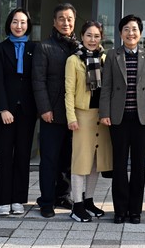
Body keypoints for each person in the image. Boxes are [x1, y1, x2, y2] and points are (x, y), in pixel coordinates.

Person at [99, 14, 145, 225]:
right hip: (118, 117)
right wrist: (104, 113)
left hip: (142, 118)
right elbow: (106, 87)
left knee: (138, 165)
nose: (130, 33)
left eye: (134, 29)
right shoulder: (112, 55)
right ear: (120, 33)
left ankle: (135, 211)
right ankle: (120, 210)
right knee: (119, 165)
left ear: (140, 33)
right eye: (126, 29)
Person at [32, 3, 79, 218]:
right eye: (61, 18)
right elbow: (38, 81)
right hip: (52, 113)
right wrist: (44, 108)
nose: (65, 22)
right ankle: (47, 200)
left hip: (74, 114)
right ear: (54, 22)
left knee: (67, 159)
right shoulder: (44, 47)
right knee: (49, 160)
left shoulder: (78, 47)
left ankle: (63, 195)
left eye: (69, 19)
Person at [0, 8, 38, 217]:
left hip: (27, 110)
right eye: (15, 22)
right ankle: (3, 200)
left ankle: (18, 199)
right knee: (4, 154)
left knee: (22, 154)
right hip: (6, 110)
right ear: (9, 24)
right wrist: (3, 108)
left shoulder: (34, 48)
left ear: (28, 25)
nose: (19, 26)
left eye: (23, 22)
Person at [64, 20, 112, 222]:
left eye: (97, 36)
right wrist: (71, 117)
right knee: (80, 161)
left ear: (101, 37)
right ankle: (77, 205)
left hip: (101, 115)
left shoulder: (105, 58)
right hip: (82, 115)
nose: (93, 40)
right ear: (82, 36)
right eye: (89, 35)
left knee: (95, 161)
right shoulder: (73, 60)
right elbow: (68, 91)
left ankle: (89, 201)